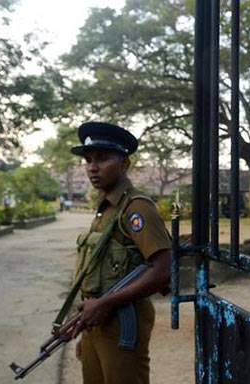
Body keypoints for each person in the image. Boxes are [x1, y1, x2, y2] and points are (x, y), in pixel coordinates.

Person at [69, 121, 171, 384]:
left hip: (121, 322)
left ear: (124, 163)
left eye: (102, 159)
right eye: (88, 160)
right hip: (95, 320)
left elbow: (163, 269)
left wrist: (105, 304)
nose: (92, 167)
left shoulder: (136, 208)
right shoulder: (106, 208)